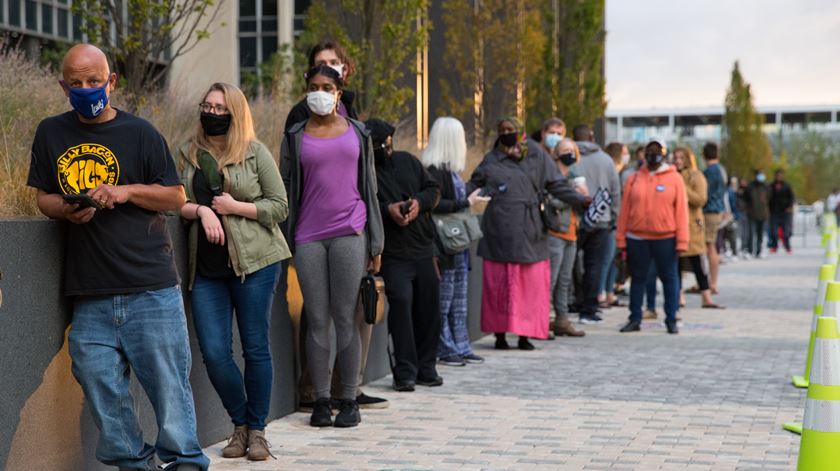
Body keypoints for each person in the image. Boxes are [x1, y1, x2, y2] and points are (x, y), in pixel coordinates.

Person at [26, 44, 209, 470]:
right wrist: (67, 210)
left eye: (95, 81)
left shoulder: (140, 134)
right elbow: (42, 198)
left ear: (112, 82)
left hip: (151, 287)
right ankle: (134, 462)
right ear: (63, 86)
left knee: (169, 388)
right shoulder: (50, 133)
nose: (87, 89)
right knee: (96, 379)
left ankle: (184, 461)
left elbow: (174, 195)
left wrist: (124, 191)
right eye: (77, 83)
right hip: (90, 290)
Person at [174, 83, 290, 461]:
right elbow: (177, 202)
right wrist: (202, 210)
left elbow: (279, 206)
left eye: (220, 108)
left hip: (255, 264)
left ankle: (256, 432)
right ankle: (240, 422)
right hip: (207, 269)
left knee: (255, 347)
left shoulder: (254, 153)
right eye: (206, 105)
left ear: (235, 114)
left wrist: (236, 207)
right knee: (213, 352)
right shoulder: (187, 154)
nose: (211, 113)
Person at [283, 41, 388, 411]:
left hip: (350, 231)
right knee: (316, 318)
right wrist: (286, 241)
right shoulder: (294, 136)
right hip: (308, 235)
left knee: (346, 316)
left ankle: (349, 399)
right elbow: (287, 189)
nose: (320, 95)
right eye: (313, 89)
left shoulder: (358, 132)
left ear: (339, 92)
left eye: (327, 89)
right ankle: (321, 400)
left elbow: (370, 190)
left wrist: (376, 242)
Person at [469, 118, 587, 350]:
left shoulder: (536, 156)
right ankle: (500, 334)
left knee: (530, 286)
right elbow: (473, 184)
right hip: (499, 230)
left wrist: (581, 200)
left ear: (520, 132)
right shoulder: (492, 159)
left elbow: (557, 184)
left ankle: (525, 334)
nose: (507, 134)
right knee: (499, 285)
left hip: (530, 228)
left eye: (511, 130)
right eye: (502, 131)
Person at [369, 118, 443, 390]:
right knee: (400, 307)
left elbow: (433, 189)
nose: (385, 146)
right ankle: (405, 372)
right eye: (378, 143)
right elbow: (363, 202)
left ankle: (427, 367)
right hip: (393, 253)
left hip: (423, 248)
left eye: (387, 140)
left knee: (428, 308)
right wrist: (388, 209)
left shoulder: (408, 161)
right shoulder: (366, 171)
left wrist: (418, 204)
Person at [423, 117, 489, 366]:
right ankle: (444, 346)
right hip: (444, 245)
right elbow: (435, 204)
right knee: (445, 298)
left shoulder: (451, 172)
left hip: (456, 245)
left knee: (458, 299)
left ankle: (459, 343)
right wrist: (467, 203)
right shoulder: (435, 172)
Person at [617, 139, 688, 334]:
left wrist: (682, 240)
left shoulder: (674, 178)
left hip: (666, 237)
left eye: (657, 151)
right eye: (650, 151)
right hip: (637, 237)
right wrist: (621, 237)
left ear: (664, 154)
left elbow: (681, 211)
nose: (653, 155)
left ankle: (671, 318)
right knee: (638, 278)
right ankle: (634, 318)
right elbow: (625, 209)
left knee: (669, 277)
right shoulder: (634, 178)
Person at [572, 125, 622, 324]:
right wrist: (613, 217)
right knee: (594, 265)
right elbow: (615, 191)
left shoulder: (568, 157)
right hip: (601, 220)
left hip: (573, 220)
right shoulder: (606, 160)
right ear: (592, 137)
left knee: (571, 264)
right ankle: (589, 308)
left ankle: (573, 301)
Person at [673, 147, 724, 309]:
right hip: (675, 224)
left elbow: (701, 199)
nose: (677, 161)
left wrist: (683, 188)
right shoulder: (671, 176)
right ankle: (678, 295)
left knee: (697, 261)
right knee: (677, 263)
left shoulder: (697, 176)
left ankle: (706, 296)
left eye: (681, 158)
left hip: (693, 224)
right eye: (675, 157)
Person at [547, 139, 587, 337]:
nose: (569, 153)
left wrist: (583, 198)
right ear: (556, 153)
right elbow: (551, 201)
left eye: (572, 150)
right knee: (550, 280)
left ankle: (562, 320)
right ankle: (542, 320)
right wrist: (573, 195)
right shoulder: (551, 175)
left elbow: (580, 204)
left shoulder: (575, 174)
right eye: (565, 150)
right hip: (555, 232)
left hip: (572, 231)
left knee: (565, 280)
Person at [284, 40, 358, 129]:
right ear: (312, 70)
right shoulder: (301, 113)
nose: (328, 68)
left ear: (344, 70)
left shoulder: (347, 106)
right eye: (321, 64)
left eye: (334, 63)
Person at [600, 142, 629, 308]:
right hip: (612, 220)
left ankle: (609, 292)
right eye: (624, 152)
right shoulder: (611, 172)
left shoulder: (620, 173)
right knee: (607, 258)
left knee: (614, 259)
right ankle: (602, 293)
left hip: (619, 221)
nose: (626, 156)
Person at [701, 142, 727, 293]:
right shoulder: (721, 170)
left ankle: (711, 283)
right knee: (711, 246)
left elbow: (705, 193)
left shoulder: (710, 171)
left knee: (710, 247)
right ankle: (710, 281)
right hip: (717, 211)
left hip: (709, 212)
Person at [768, 169, 795, 254]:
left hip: (785, 212)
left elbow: (792, 197)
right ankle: (774, 246)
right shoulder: (771, 186)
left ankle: (787, 247)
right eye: (777, 175)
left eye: (780, 175)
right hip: (774, 212)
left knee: (786, 232)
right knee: (774, 232)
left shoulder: (787, 186)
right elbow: (768, 198)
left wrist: (790, 207)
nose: (778, 177)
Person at [744, 170, 769, 258]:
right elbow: (745, 199)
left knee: (760, 234)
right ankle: (750, 251)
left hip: (762, 214)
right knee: (751, 234)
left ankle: (759, 251)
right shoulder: (750, 187)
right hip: (752, 214)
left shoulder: (766, 187)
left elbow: (769, 199)